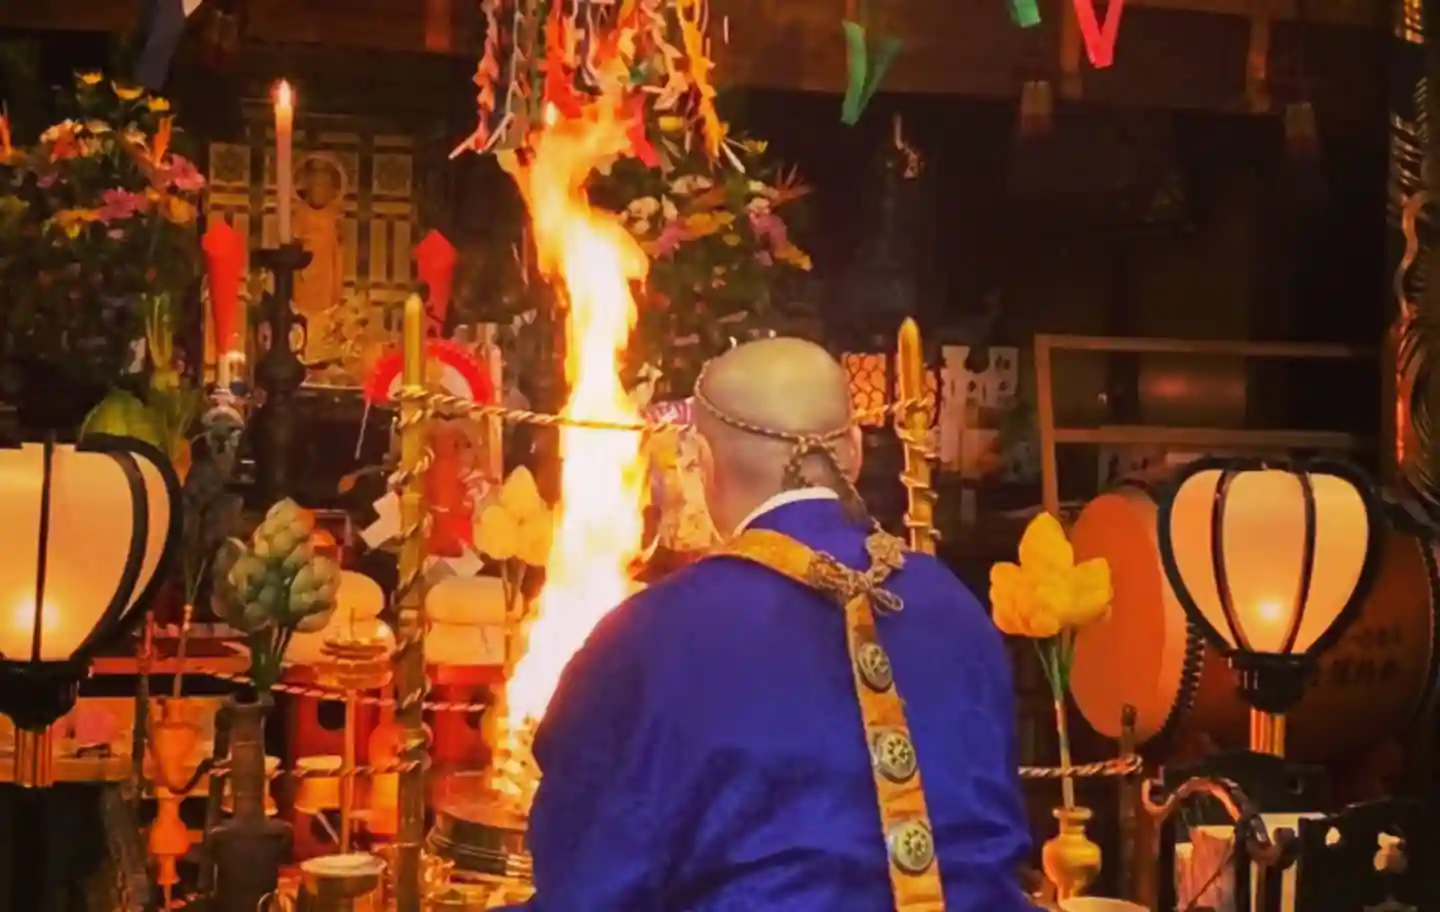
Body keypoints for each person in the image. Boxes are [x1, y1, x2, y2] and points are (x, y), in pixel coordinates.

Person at [513, 338, 1032, 911]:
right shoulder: (955, 606)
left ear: (702, 462)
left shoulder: (653, 634)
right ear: (855, 450)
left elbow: (589, 876)